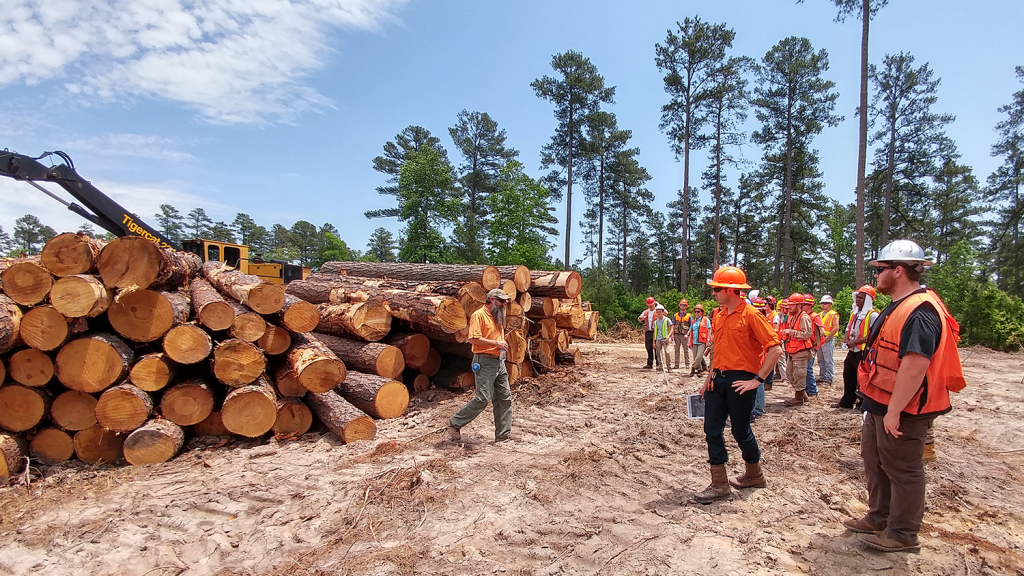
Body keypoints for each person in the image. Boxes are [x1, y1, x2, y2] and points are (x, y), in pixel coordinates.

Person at [843, 239, 966, 552]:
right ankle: (878, 516)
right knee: (875, 460)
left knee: (903, 469)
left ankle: (902, 535)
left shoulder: (921, 311)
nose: (876, 277)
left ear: (897, 271)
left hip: (904, 409)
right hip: (881, 402)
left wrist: (895, 410)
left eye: (881, 269)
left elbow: (915, 364)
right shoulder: (900, 305)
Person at [693, 266, 782, 504]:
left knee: (740, 430)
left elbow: (775, 349)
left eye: (717, 289)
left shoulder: (751, 315)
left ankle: (755, 475)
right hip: (717, 380)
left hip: (740, 381)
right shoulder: (719, 314)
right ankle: (719, 484)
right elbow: (717, 351)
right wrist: (707, 379)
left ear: (732, 290)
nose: (714, 293)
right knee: (711, 430)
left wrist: (757, 380)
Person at [448, 289, 515, 443]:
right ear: (492, 299)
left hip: (499, 361)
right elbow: (474, 338)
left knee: (504, 398)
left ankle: (503, 436)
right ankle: (454, 422)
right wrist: (496, 343)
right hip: (484, 361)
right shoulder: (479, 315)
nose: (504, 304)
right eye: (501, 301)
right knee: (483, 398)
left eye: (505, 301)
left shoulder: (497, 316)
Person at [836, 286, 879, 409]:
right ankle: (847, 402)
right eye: (857, 297)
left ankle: (862, 403)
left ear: (867, 300)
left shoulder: (873, 315)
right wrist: (846, 339)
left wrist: (855, 342)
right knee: (848, 375)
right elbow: (848, 328)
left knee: (862, 378)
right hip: (852, 350)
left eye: (861, 298)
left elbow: (874, 335)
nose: (857, 300)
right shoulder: (854, 313)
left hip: (864, 351)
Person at [782, 293, 814, 406]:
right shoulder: (794, 316)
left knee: (799, 375)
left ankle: (799, 398)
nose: (789, 307)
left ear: (799, 305)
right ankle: (802, 395)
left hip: (801, 351)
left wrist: (791, 332)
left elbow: (807, 334)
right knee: (790, 374)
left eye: (792, 305)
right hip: (793, 350)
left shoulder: (804, 317)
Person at [816, 295, 841, 386]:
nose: (823, 305)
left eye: (825, 303)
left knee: (828, 359)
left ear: (830, 304)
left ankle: (828, 378)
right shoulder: (819, 314)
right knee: (820, 359)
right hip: (820, 339)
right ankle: (822, 377)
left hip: (827, 339)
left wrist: (828, 337)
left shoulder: (833, 314)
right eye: (822, 303)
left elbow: (836, 328)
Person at [804, 294, 823, 399]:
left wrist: (815, 344)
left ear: (810, 305)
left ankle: (812, 391)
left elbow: (821, 332)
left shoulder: (814, 316)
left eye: (805, 304)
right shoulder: (804, 315)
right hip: (806, 345)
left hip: (812, 346)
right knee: (804, 369)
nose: (802, 306)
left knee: (808, 368)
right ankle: (808, 390)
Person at [688, 304, 712, 376]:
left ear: (702, 312)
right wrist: (688, 339)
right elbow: (691, 330)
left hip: (702, 341)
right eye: (695, 312)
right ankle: (699, 370)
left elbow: (709, 329)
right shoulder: (693, 321)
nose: (696, 313)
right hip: (694, 341)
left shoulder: (706, 320)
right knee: (696, 357)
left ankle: (692, 368)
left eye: (698, 311)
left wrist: (708, 339)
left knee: (699, 356)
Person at [638, 297, 659, 370]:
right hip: (648, 331)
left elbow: (666, 312)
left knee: (656, 348)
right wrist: (641, 318)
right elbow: (639, 319)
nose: (650, 306)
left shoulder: (658, 310)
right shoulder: (646, 312)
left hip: (656, 331)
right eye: (649, 305)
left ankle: (658, 364)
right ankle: (649, 364)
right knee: (648, 347)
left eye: (651, 305)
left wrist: (658, 305)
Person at [652, 304, 674, 373]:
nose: (658, 313)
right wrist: (654, 342)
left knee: (667, 353)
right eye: (657, 312)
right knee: (658, 354)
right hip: (658, 339)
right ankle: (660, 367)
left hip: (665, 339)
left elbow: (672, 329)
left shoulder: (667, 320)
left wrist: (668, 336)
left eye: (660, 312)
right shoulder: (655, 322)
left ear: (663, 312)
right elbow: (654, 332)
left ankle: (669, 367)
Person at [673, 300, 692, 370]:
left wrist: (687, 334)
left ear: (686, 306)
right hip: (676, 335)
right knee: (676, 350)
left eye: (684, 305)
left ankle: (687, 364)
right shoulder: (675, 315)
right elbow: (673, 325)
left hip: (684, 335)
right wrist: (672, 335)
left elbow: (691, 326)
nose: (683, 307)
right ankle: (676, 364)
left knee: (686, 350)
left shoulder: (689, 316)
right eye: (682, 305)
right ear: (680, 306)